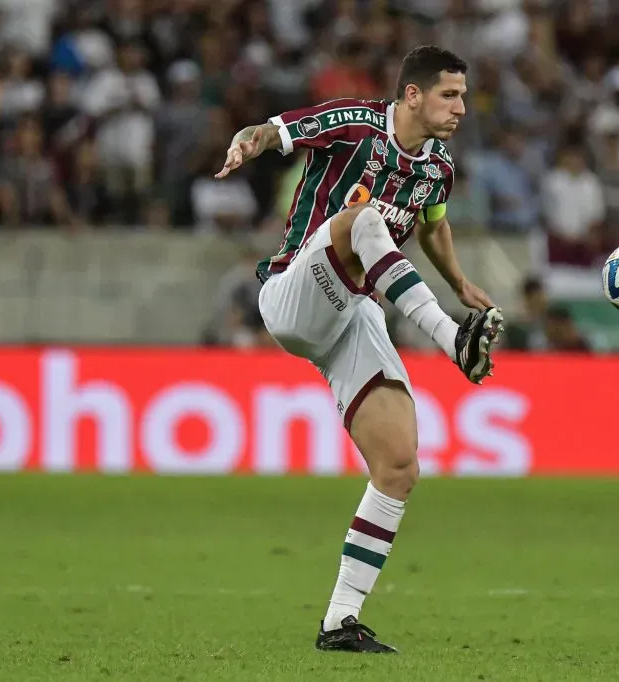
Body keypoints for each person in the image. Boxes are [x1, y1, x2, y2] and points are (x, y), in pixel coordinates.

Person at [215, 45, 504, 653]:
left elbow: (432, 223)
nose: (461, 107)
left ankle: (339, 621)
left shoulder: (438, 168)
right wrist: (247, 143)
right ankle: (451, 342)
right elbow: (274, 130)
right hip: (295, 291)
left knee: (399, 466)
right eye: (449, 95)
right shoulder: (356, 124)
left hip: (352, 312)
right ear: (413, 95)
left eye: (464, 95)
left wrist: (459, 281)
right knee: (363, 222)